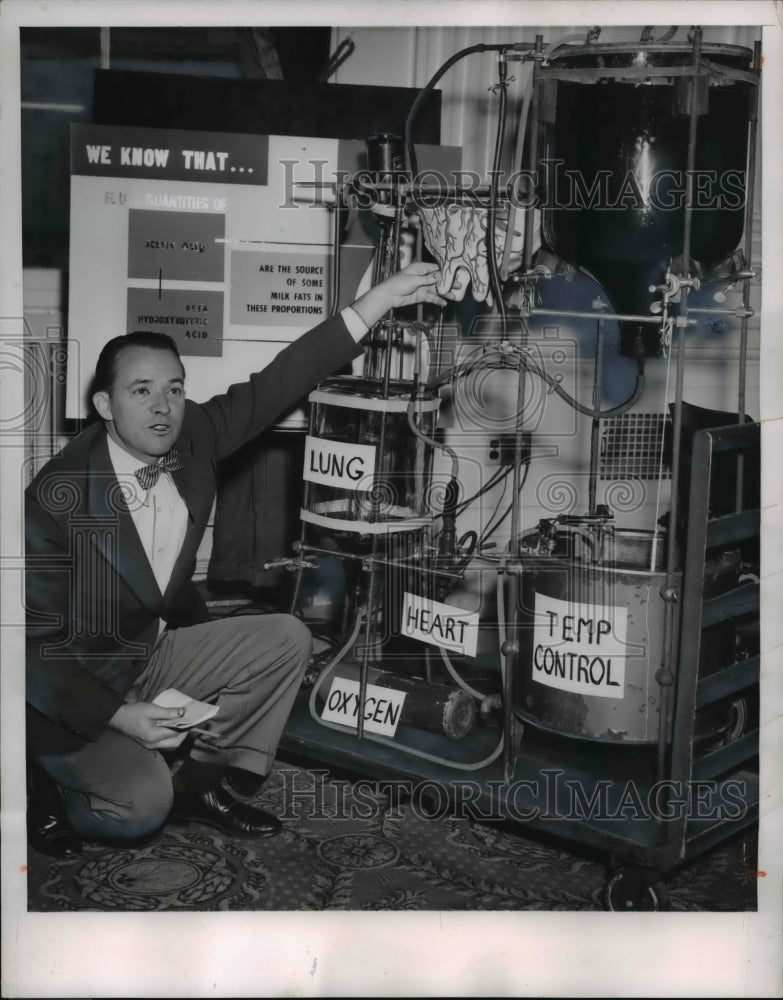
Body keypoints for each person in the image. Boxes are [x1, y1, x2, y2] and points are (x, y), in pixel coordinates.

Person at [25, 262, 446, 856]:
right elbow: (30, 649)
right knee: (139, 810)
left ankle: (200, 783)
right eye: (141, 391)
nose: (163, 407)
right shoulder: (55, 497)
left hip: (149, 649)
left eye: (174, 389)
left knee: (286, 637)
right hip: (75, 688)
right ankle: (42, 791)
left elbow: (279, 381)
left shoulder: (191, 433)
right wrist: (120, 715)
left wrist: (378, 300)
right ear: (104, 404)